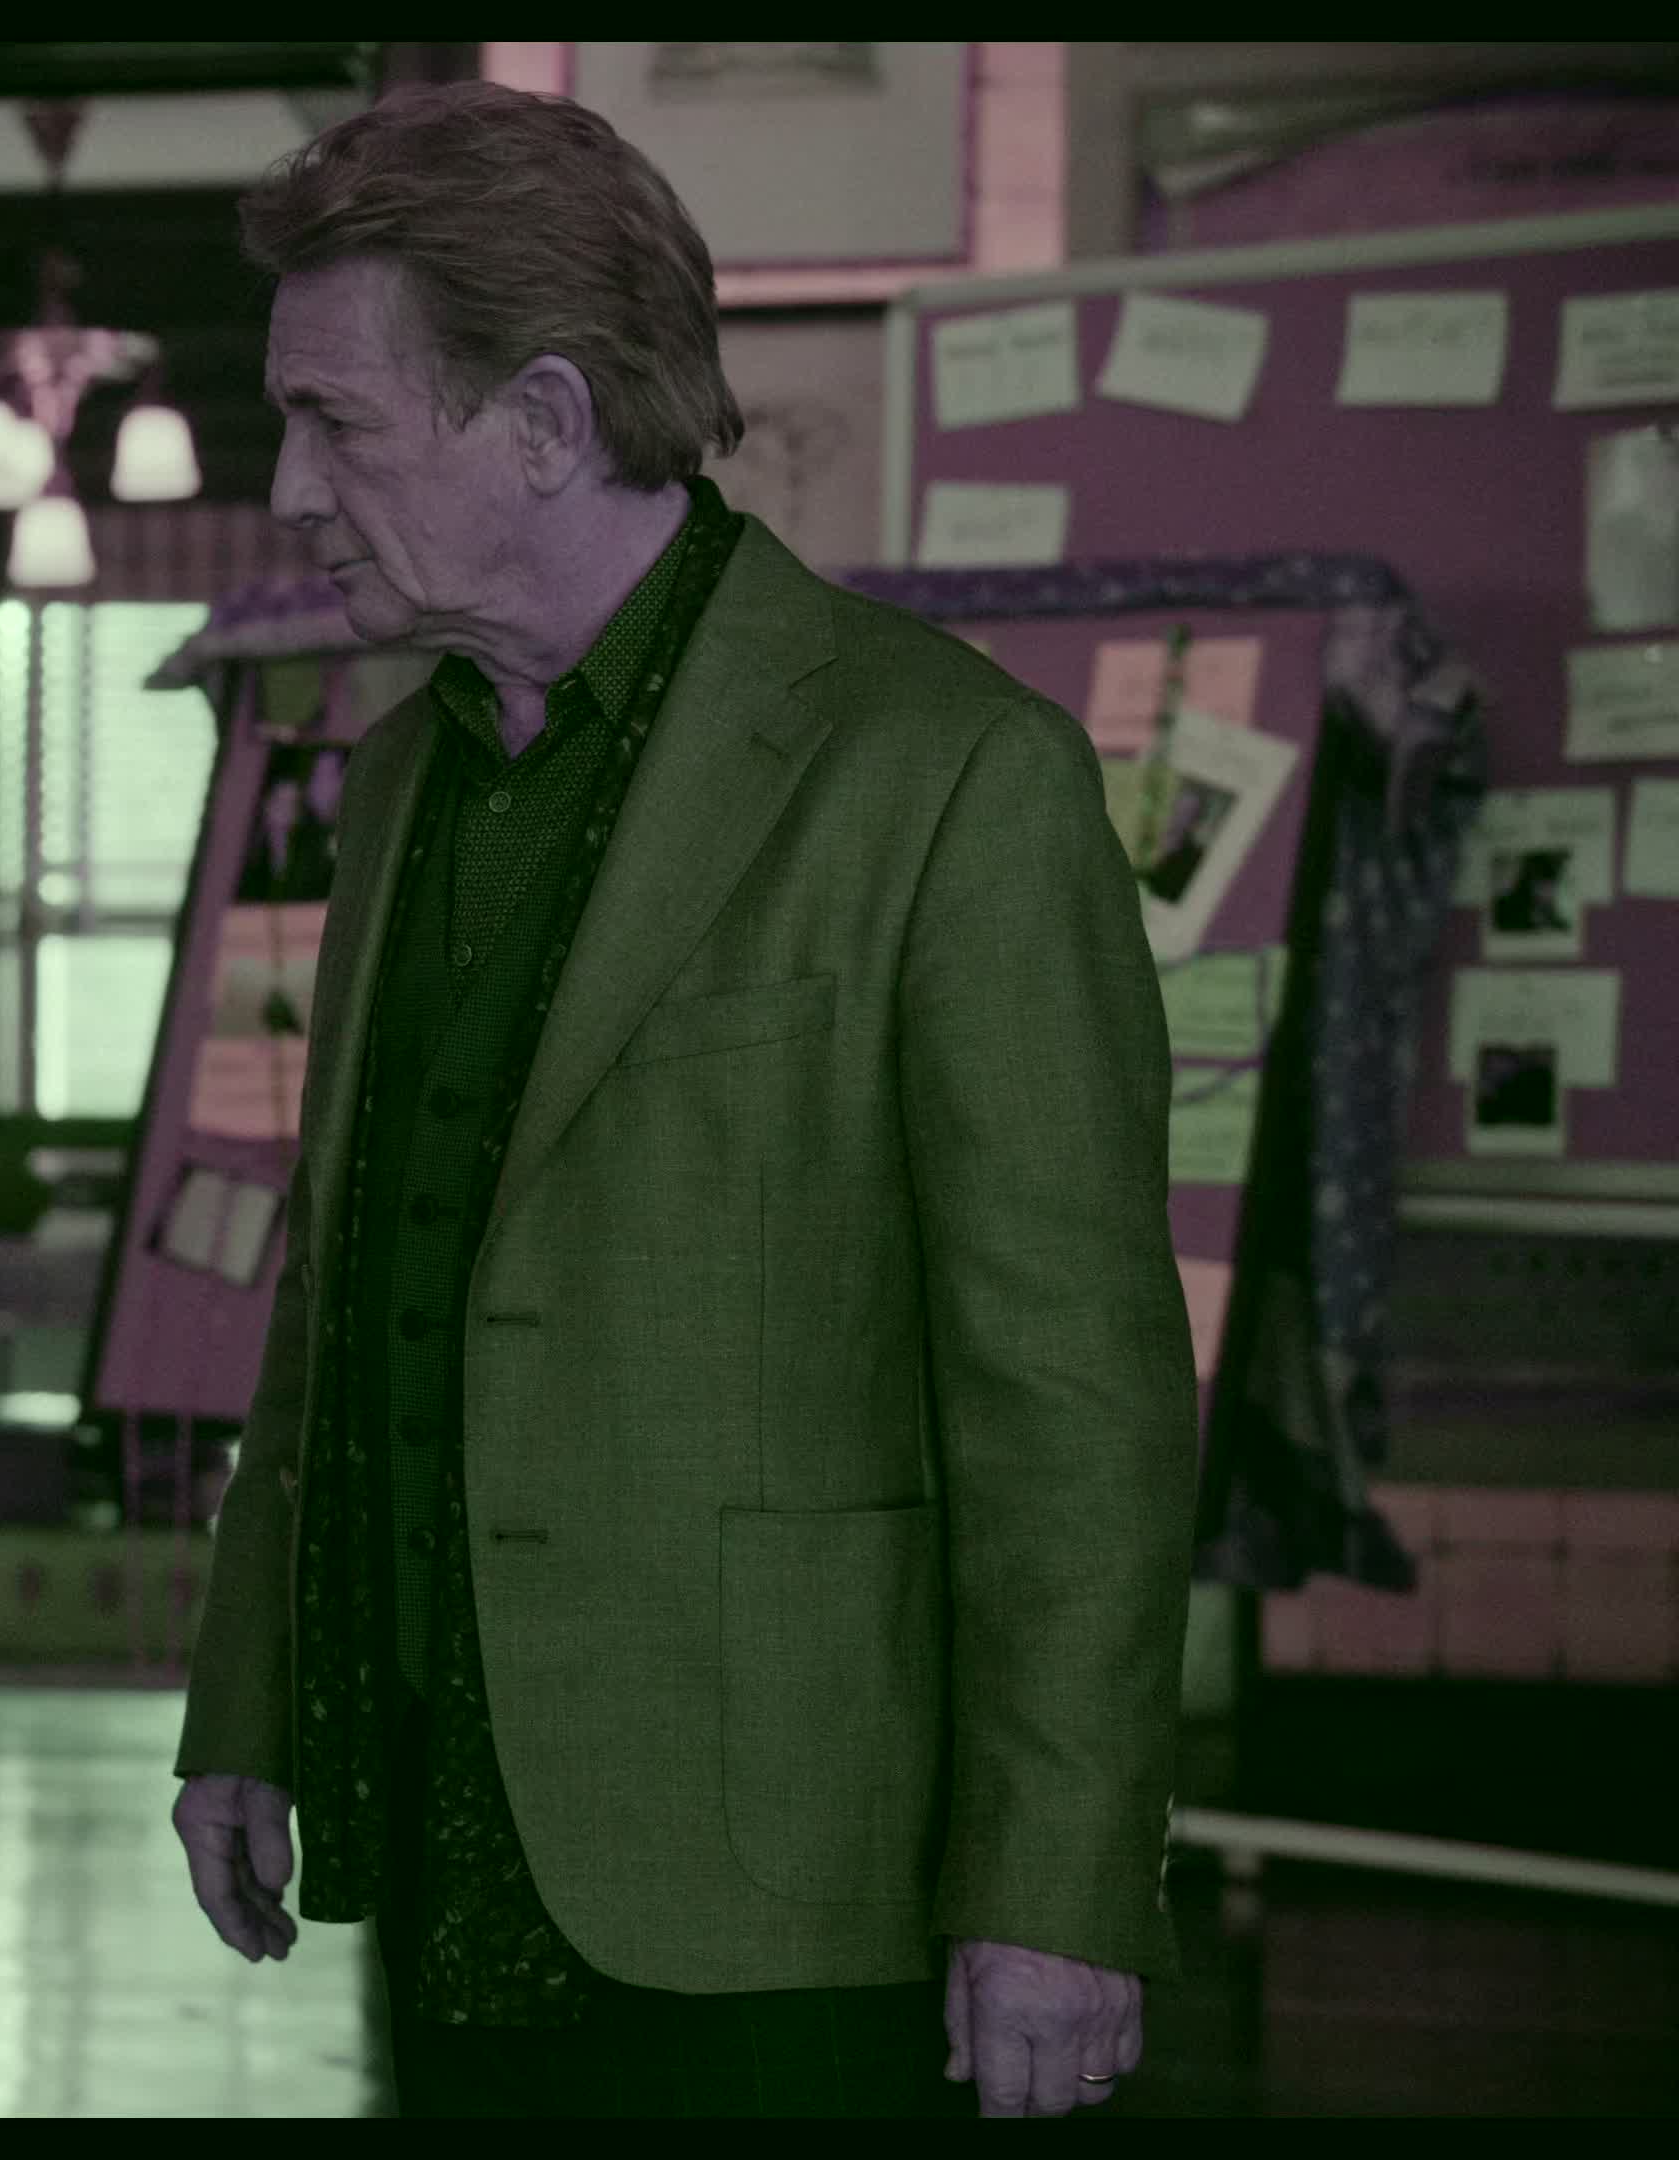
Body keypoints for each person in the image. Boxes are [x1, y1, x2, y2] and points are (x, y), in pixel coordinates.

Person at [170, 86, 1193, 2121]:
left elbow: (1075, 1400)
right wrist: (252, 1701)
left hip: (796, 1884)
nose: (286, 489)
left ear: (545, 421)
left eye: (336, 424)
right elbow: (342, 1284)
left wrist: (1059, 1886)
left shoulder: (947, 774)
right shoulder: (398, 775)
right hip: (435, 1835)